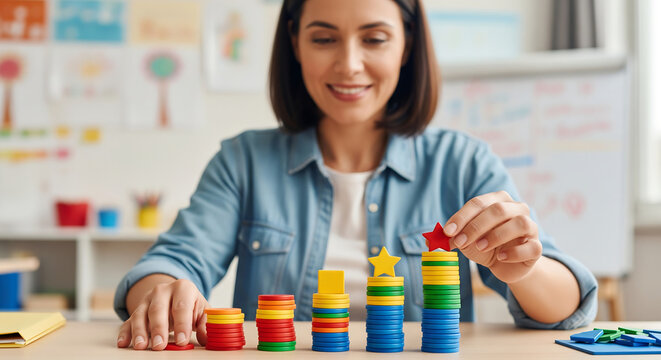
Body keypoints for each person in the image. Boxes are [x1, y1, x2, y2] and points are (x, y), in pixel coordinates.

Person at [114, 0, 598, 351]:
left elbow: (566, 307)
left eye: (375, 38)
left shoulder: (463, 163)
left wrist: (527, 269)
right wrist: (165, 290)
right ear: (296, 44)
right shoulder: (243, 162)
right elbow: (173, 261)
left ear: (407, 45)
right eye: (324, 38)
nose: (348, 64)